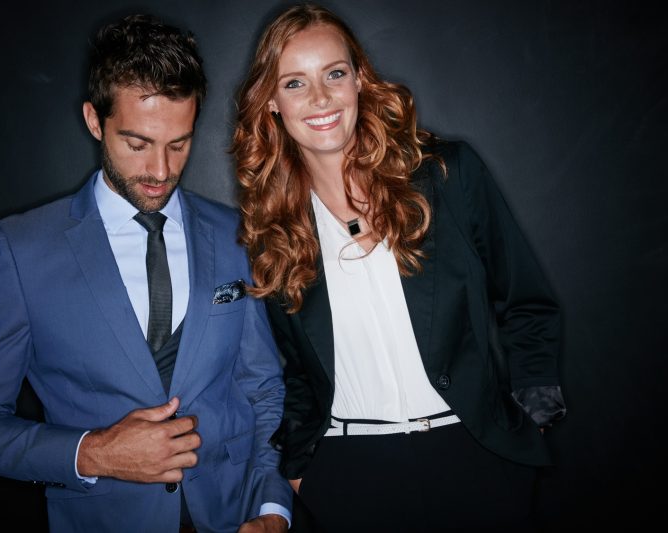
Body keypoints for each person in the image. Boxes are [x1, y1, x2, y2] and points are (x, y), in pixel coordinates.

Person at [0, 13, 291, 533]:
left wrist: (272, 509)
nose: (161, 171)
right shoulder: (22, 250)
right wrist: (94, 453)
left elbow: (263, 391)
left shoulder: (234, 233)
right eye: (138, 144)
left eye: (179, 143)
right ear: (95, 121)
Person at [232, 4, 566, 532]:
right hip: (351, 477)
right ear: (271, 102)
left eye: (334, 75)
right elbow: (297, 372)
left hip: (479, 460)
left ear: (359, 81)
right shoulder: (274, 234)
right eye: (294, 83)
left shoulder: (446, 176)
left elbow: (526, 302)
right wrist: (301, 471)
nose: (319, 98)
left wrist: (535, 417)